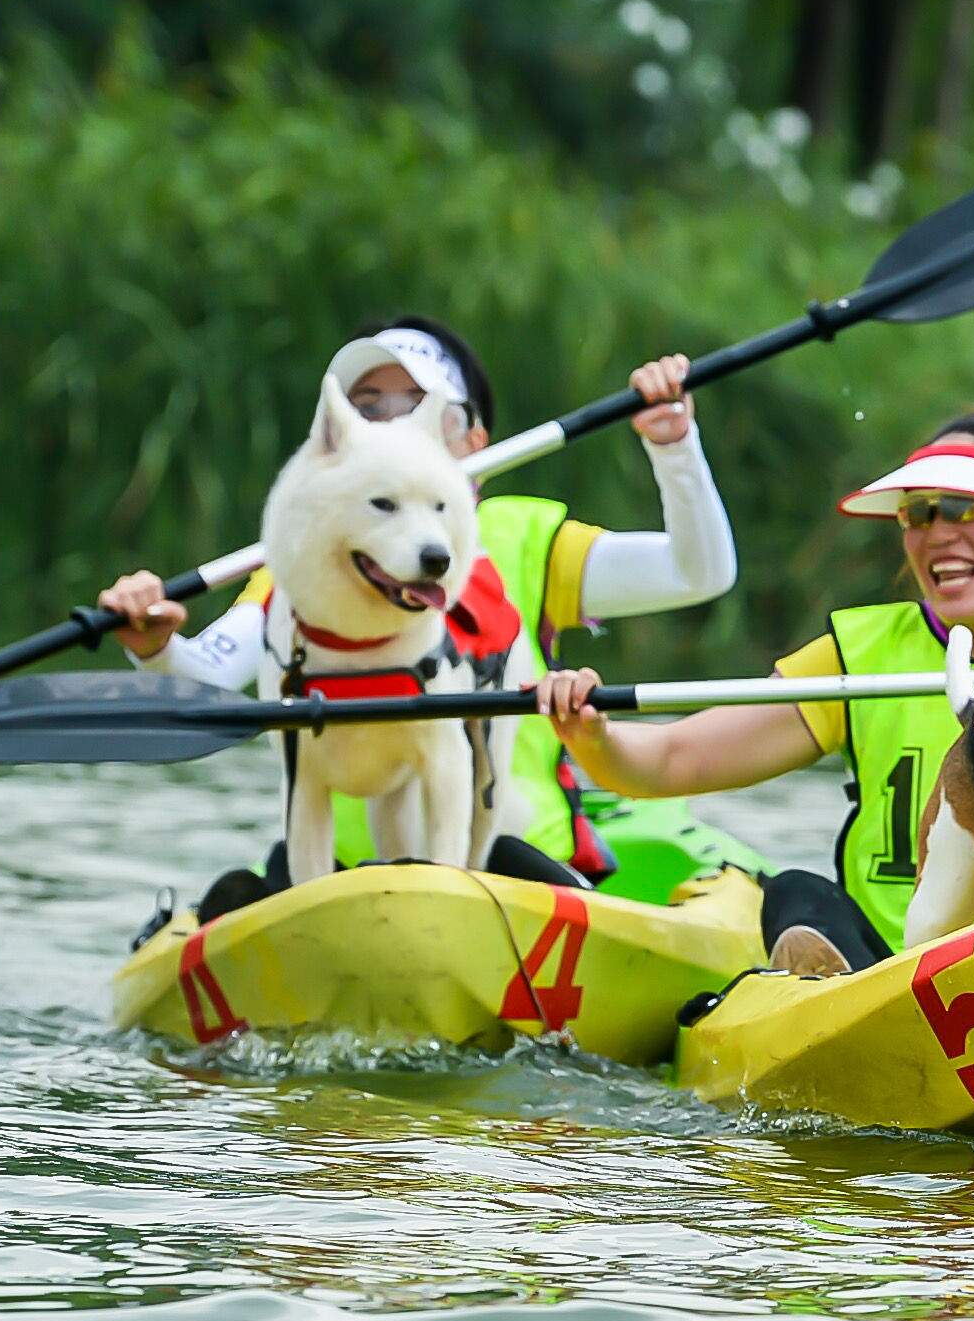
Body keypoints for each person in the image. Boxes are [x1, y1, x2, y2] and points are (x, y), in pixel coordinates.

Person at [95, 316, 734, 905]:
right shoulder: (306, 567)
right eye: (370, 412)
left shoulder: (526, 538)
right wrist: (152, 643)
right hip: (345, 880)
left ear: (475, 439)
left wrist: (674, 446)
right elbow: (204, 680)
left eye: (421, 411)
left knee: (503, 852)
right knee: (243, 890)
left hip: (511, 871)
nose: (395, 431)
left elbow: (697, 572)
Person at [535, 411, 974, 973]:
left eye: (962, 507)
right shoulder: (859, 652)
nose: (936, 533)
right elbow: (674, 759)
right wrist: (590, 734)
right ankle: (845, 1009)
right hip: (889, 969)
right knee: (797, 894)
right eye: (917, 512)